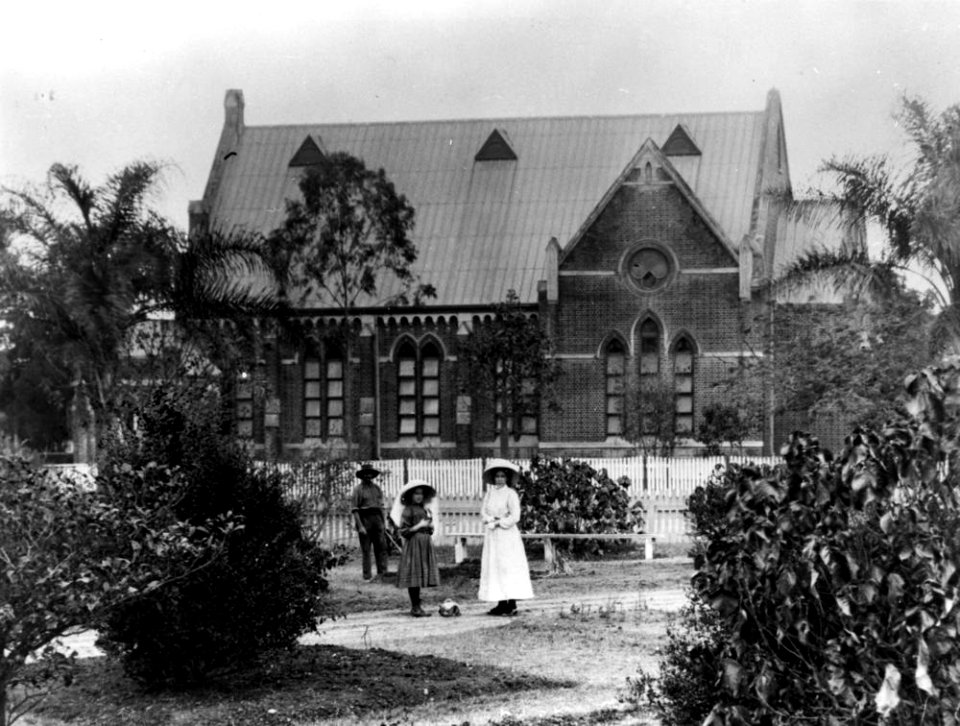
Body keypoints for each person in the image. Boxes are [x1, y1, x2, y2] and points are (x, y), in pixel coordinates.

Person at [478, 458, 534, 615]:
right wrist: (489, 520)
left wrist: (498, 523)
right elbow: (483, 512)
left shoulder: (511, 494)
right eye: (497, 476)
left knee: (508, 567)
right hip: (493, 537)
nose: (499, 479)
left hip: (507, 536)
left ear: (507, 478)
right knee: (495, 567)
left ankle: (512, 603)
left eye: (502, 476)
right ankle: (501, 602)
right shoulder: (489, 493)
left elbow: (515, 516)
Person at [390, 479, 440, 617]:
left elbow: (429, 529)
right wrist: (419, 526)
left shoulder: (425, 509)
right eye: (416, 493)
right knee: (414, 575)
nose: (419, 496)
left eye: (421, 494)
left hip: (425, 543)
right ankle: (415, 607)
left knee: (421, 575)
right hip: (414, 544)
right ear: (411, 495)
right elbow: (404, 531)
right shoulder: (408, 510)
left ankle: (418, 606)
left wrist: (429, 527)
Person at [350, 463, 388, 580]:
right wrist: (360, 526)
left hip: (377, 520)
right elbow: (355, 510)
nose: (368, 476)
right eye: (365, 474)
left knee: (380, 548)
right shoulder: (358, 490)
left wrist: (383, 524)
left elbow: (381, 507)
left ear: (372, 475)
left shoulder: (377, 489)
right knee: (366, 550)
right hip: (365, 520)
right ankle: (367, 575)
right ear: (362, 476)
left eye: (369, 474)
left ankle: (382, 574)